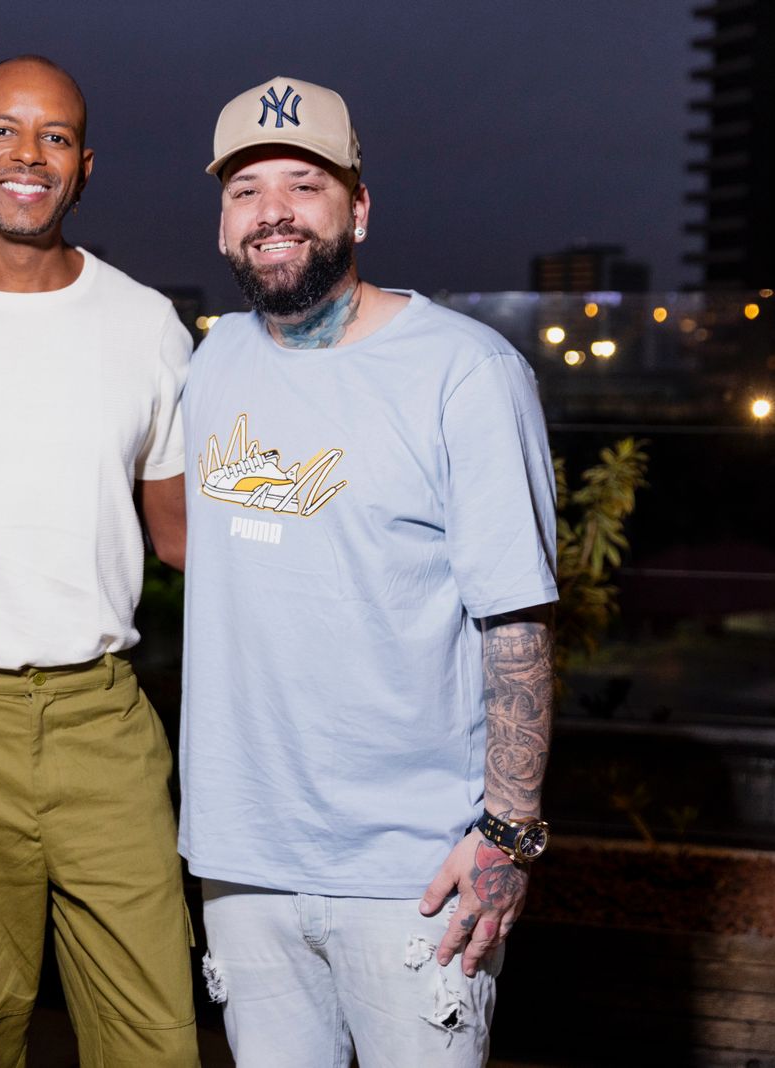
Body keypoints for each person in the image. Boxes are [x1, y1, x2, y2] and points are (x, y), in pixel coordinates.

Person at [179, 76, 559, 1066]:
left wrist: (509, 836)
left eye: (303, 184)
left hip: (415, 875)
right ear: (223, 226)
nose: (273, 212)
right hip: (242, 865)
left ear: (358, 206)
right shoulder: (209, 367)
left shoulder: (465, 372)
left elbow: (515, 622)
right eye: (246, 190)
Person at [0, 55, 199, 1067]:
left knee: (153, 1031)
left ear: (85, 165)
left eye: (54, 136)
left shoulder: (146, 324)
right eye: (5, 132)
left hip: (104, 721)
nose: (29, 154)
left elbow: (182, 537)